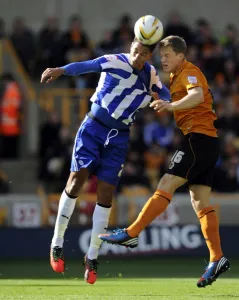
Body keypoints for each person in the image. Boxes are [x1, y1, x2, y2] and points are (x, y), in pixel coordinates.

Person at [99, 36, 230, 288]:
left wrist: (171, 105)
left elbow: (197, 96)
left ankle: (132, 233)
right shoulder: (173, 77)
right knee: (200, 200)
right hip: (206, 142)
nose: (164, 59)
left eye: (168, 55)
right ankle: (217, 257)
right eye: (162, 56)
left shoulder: (190, 71)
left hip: (198, 139)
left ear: (181, 55)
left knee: (167, 182)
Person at [40, 37, 170, 284]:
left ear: (149, 56)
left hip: (119, 137)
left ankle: (92, 256)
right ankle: (57, 242)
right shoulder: (116, 61)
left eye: (143, 54)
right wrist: (60, 71)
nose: (137, 56)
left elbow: (165, 94)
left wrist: (164, 99)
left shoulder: (151, 75)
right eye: (135, 50)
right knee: (77, 180)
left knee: (106, 193)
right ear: (131, 45)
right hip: (93, 127)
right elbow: (87, 65)